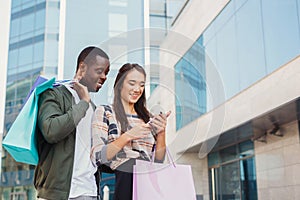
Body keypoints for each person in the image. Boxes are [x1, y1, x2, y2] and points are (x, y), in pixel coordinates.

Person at [34, 46, 110, 200]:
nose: (104, 77)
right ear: (82, 67)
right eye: (100, 71)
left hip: (89, 192)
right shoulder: (54, 93)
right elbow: (51, 130)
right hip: (56, 194)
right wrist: (83, 103)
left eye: (106, 73)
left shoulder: (95, 110)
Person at [91, 63, 170, 200]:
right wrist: (128, 136)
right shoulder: (105, 112)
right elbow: (98, 156)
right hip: (120, 181)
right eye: (132, 83)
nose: (137, 89)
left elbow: (158, 160)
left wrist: (161, 133)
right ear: (120, 84)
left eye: (141, 85)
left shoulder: (148, 118)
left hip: (147, 182)